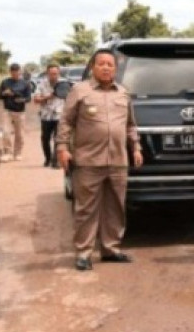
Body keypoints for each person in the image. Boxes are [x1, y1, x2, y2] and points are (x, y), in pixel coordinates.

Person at [56, 50, 143, 271]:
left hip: (118, 161)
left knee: (115, 207)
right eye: (101, 64)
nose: (106, 68)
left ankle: (111, 249)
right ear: (93, 67)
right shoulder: (80, 91)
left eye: (110, 65)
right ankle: (83, 253)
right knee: (86, 209)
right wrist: (63, 148)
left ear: (115, 69)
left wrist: (136, 147)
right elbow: (66, 122)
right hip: (87, 161)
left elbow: (131, 125)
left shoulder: (123, 93)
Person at [0, 63, 32, 162]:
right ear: (10, 72)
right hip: (7, 110)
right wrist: (4, 93)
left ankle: (18, 153)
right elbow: (0, 96)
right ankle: (8, 153)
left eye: (17, 72)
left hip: (20, 112)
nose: (15, 74)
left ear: (20, 72)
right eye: (13, 72)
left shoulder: (25, 84)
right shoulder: (5, 82)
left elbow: (28, 98)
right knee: (6, 132)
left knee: (20, 134)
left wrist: (20, 99)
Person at [33, 64, 66, 168]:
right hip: (46, 116)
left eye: (55, 73)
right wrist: (49, 96)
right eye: (51, 74)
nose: (54, 76)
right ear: (47, 74)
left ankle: (56, 161)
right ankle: (48, 158)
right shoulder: (42, 84)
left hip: (59, 115)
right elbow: (36, 100)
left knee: (58, 138)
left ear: (59, 73)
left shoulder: (64, 83)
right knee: (45, 138)